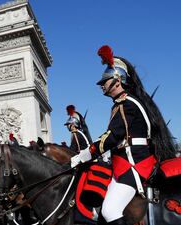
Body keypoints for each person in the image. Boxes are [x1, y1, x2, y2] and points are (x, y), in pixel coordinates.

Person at [71, 45, 176, 225]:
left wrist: (86, 154)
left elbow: (113, 136)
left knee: (110, 210)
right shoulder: (125, 102)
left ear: (118, 80)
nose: (102, 85)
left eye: (105, 81)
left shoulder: (126, 103)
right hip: (125, 162)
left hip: (134, 163)